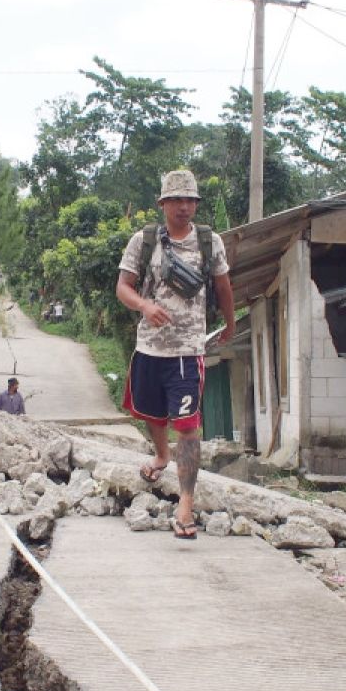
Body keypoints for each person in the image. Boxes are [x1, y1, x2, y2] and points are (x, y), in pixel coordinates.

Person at [115, 169, 234, 541]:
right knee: (151, 413)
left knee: (188, 426)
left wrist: (230, 324)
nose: (184, 207)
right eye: (177, 200)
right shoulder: (144, 240)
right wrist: (144, 307)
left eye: (190, 200)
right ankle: (161, 456)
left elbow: (223, 285)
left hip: (187, 350)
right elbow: (123, 287)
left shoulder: (209, 241)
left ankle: (185, 504)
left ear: (196, 204)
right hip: (149, 347)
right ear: (163, 203)